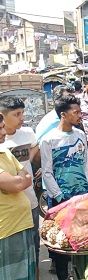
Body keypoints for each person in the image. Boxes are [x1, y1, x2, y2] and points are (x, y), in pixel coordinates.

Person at [41, 95, 88, 280]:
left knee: (83, 236)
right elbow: (47, 173)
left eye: (80, 111)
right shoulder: (49, 140)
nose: (80, 115)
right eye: (76, 112)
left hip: (82, 195)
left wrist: (87, 188)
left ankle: (83, 272)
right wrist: (60, 196)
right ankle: (63, 275)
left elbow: (85, 163)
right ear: (63, 114)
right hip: (61, 198)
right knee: (62, 241)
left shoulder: (80, 135)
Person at [0, 97, 41, 276]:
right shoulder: (4, 145)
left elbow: (25, 178)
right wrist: (21, 177)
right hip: (8, 223)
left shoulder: (25, 135)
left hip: (29, 204)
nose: (21, 118)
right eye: (17, 114)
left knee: (32, 252)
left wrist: (24, 172)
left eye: (22, 113)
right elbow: (18, 182)